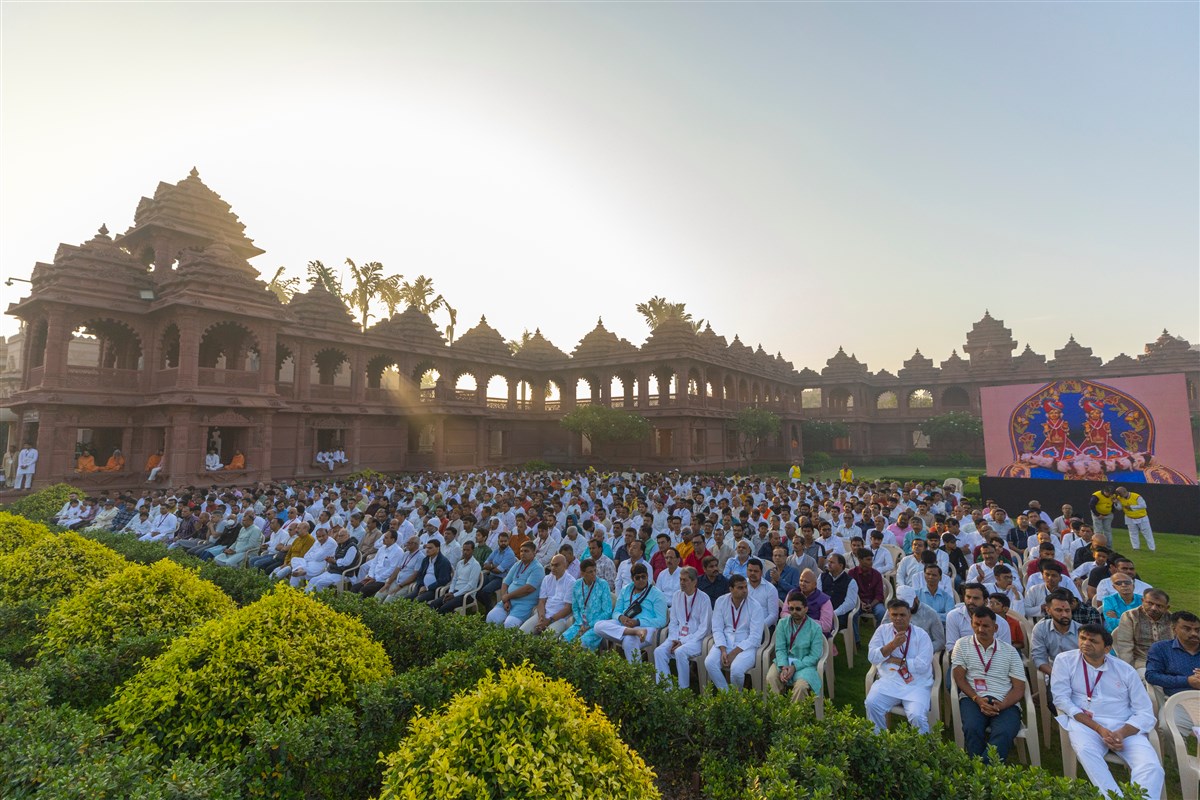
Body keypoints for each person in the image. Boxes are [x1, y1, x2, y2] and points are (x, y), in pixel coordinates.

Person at [1050, 624, 1165, 800]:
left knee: (1151, 767)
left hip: (1124, 726)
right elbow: (1061, 699)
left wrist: (1122, 733)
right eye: (1083, 638)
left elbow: (1144, 712)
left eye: (1093, 641)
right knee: (1087, 751)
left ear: (1107, 648)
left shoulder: (1125, 670)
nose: (1085, 643)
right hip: (1086, 724)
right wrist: (1098, 728)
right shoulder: (1065, 660)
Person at [951, 606, 1027, 764]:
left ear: (995, 627)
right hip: (973, 698)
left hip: (1004, 700)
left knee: (1004, 731)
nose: (980, 629)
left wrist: (1002, 704)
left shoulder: (1010, 651)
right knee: (972, 727)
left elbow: (1019, 688)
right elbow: (959, 678)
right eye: (976, 624)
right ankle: (986, 773)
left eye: (985, 626)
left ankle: (979, 771)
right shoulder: (962, 644)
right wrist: (977, 699)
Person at [866, 599, 935, 733]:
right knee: (872, 703)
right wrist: (892, 645)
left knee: (917, 716)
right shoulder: (882, 631)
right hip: (889, 681)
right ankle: (878, 743)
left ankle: (923, 751)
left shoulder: (921, 635)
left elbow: (922, 665)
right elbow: (872, 657)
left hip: (916, 684)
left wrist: (899, 661)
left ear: (910, 615)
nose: (898, 618)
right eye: (894, 615)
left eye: (902, 615)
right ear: (889, 615)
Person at [593, 563, 668, 663]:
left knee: (628, 641)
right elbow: (616, 612)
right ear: (632, 578)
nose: (641, 580)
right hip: (625, 625)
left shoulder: (657, 594)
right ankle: (632, 632)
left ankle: (637, 676)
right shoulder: (626, 590)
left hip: (646, 627)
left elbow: (661, 621)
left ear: (647, 576)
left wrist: (638, 622)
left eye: (643, 577)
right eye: (637, 577)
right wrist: (620, 617)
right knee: (598, 626)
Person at [654, 566, 712, 688]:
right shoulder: (677, 596)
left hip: (696, 640)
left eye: (685, 580)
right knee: (659, 651)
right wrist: (675, 639)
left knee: (680, 652)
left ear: (694, 581)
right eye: (680, 579)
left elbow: (704, 628)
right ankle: (666, 689)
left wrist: (683, 641)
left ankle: (683, 690)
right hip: (677, 636)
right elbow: (673, 622)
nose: (681, 583)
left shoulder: (704, 598)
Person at [705, 574, 765, 691]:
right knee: (709, 662)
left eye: (745, 587)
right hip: (725, 642)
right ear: (731, 589)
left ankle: (736, 699)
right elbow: (717, 628)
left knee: (736, 670)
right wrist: (723, 650)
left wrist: (734, 653)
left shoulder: (755, 606)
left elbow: (755, 637)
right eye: (740, 588)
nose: (744, 591)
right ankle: (727, 696)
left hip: (746, 646)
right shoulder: (721, 601)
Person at [766, 589, 823, 701]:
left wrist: (794, 667)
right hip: (784, 662)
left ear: (806, 609)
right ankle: (776, 713)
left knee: (801, 687)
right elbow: (780, 648)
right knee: (771, 678)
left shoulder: (815, 628)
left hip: (804, 665)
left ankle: (793, 716)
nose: (794, 612)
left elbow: (814, 656)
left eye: (798, 609)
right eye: (791, 608)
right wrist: (783, 666)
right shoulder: (782, 623)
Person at [1031, 590, 1080, 705]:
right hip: (1055, 674)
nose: (1064, 614)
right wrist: (1058, 675)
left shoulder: (1082, 631)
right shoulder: (1041, 629)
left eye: (1067, 610)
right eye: (1059, 610)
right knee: (1056, 704)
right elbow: (1038, 659)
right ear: (1048, 610)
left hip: (1080, 676)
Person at [485, 541, 544, 629]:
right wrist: (506, 600)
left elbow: (529, 589)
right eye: (521, 551)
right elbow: (505, 583)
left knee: (509, 624)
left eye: (526, 551)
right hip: (508, 601)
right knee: (491, 617)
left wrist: (508, 596)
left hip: (524, 604)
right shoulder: (518, 564)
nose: (523, 553)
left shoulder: (537, 568)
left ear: (534, 553)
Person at [1114, 589, 1172, 673]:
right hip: (1143, 662)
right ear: (1142, 601)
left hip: (1169, 662)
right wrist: (1127, 670)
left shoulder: (1173, 619)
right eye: (1150, 603)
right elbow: (1125, 645)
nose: (1154, 608)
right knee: (1154, 681)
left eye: (1159, 606)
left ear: (1167, 607)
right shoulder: (1130, 616)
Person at [562, 558, 614, 651]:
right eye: (590, 572)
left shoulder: (603, 584)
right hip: (580, 624)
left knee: (582, 644)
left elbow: (607, 611)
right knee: (563, 640)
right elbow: (575, 607)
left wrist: (589, 625)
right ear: (582, 573)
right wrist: (580, 623)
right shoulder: (577, 584)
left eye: (595, 570)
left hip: (596, 625)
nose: (594, 574)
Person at [1145, 610, 1200, 698]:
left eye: (1197, 630)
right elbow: (1151, 676)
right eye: (1187, 629)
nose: (1194, 633)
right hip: (1177, 701)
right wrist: (1187, 681)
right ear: (1174, 630)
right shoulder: (1161, 648)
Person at [520, 553, 575, 635]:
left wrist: (549, 621)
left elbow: (567, 609)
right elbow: (541, 602)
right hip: (544, 614)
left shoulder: (571, 582)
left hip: (560, 619)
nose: (553, 568)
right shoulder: (547, 579)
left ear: (565, 565)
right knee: (521, 632)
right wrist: (542, 618)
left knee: (546, 639)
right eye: (552, 565)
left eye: (556, 565)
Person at [947, 583, 1012, 647]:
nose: (971, 601)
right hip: (962, 657)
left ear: (986, 601)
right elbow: (952, 647)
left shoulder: (1001, 623)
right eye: (968, 597)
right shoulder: (953, 616)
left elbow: (1005, 650)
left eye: (976, 598)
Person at [430, 540, 483, 614]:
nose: (465, 552)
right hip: (455, 591)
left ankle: (441, 624)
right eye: (464, 550)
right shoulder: (460, 563)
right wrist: (451, 592)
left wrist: (454, 595)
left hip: (467, 595)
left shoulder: (475, 565)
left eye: (468, 550)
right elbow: (454, 580)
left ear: (473, 551)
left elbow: (470, 586)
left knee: (444, 608)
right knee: (434, 604)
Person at [304, 526, 359, 593]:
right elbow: (336, 557)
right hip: (332, 570)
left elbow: (346, 562)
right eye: (339, 536)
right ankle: (305, 597)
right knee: (313, 580)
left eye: (342, 536)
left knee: (320, 583)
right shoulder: (340, 545)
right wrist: (331, 559)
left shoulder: (352, 547)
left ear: (348, 536)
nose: (339, 537)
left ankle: (315, 600)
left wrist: (333, 561)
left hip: (342, 573)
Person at [349, 530, 401, 598]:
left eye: (386, 537)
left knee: (363, 590)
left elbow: (392, 570)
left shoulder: (398, 551)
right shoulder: (382, 549)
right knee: (354, 588)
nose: (383, 539)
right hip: (373, 578)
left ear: (393, 539)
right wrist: (371, 576)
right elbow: (374, 563)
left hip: (382, 580)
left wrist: (376, 579)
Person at [1113, 487, 1154, 552]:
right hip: (1129, 518)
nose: (1119, 495)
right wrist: (1115, 503)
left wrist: (1131, 507)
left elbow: (1144, 505)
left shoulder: (1136, 496)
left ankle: (1152, 549)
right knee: (1133, 533)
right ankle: (1136, 548)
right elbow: (1119, 508)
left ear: (1124, 491)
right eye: (1118, 494)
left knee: (1147, 533)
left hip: (1142, 517)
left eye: (1120, 493)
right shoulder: (1119, 498)